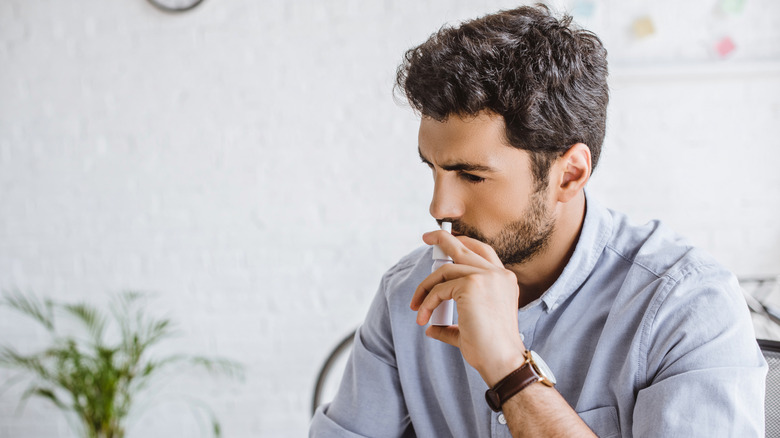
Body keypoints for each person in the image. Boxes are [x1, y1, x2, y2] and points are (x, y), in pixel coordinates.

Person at [309, 4, 766, 437]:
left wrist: (511, 370)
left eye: (471, 175)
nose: (440, 206)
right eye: (433, 168)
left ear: (569, 174)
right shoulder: (407, 293)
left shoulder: (686, 304)